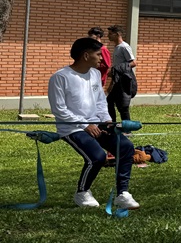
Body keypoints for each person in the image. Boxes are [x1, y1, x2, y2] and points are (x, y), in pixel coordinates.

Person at [48, 37, 140, 210]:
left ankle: (123, 194)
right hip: (72, 128)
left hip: (97, 124)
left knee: (126, 147)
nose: (102, 58)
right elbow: (59, 109)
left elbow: (100, 102)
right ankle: (82, 192)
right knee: (97, 157)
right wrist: (85, 125)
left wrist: (106, 121)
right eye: (98, 54)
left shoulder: (95, 74)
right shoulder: (60, 77)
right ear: (85, 55)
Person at [106, 25, 137, 124]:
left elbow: (133, 63)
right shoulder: (117, 47)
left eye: (110, 34)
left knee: (123, 106)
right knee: (109, 101)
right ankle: (112, 125)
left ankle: (127, 129)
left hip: (124, 80)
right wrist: (111, 83)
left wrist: (116, 69)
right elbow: (116, 67)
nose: (108, 36)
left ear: (118, 34)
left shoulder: (124, 47)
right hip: (117, 80)